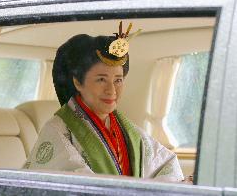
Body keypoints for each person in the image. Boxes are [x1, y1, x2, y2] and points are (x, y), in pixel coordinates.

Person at [24, 22, 184, 182]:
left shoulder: (127, 129)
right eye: (101, 79)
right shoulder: (57, 129)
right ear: (78, 82)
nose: (112, 90)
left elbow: (166, 163)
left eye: (118, 80)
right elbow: (75, 185)